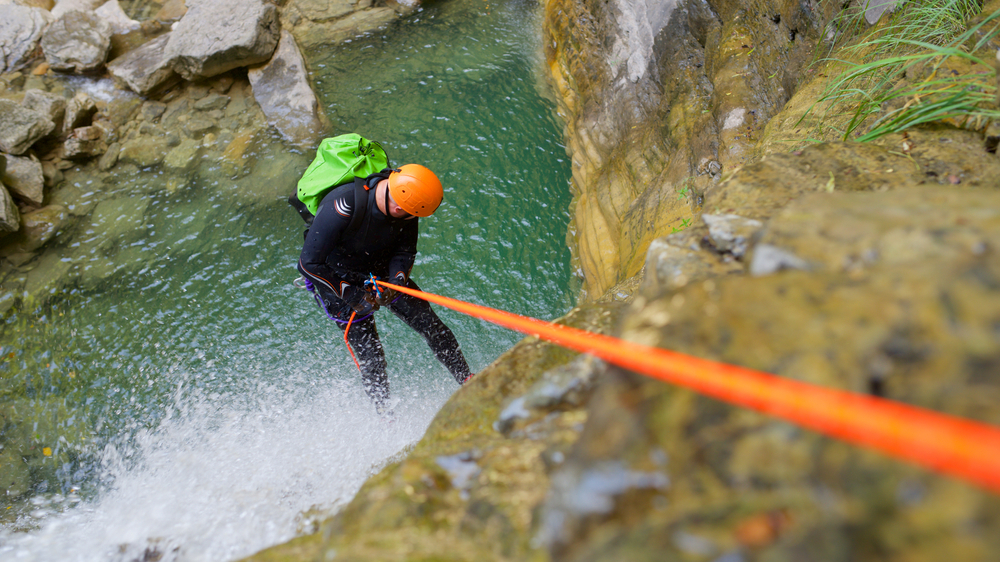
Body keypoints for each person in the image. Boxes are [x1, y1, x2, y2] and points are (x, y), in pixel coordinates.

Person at [293, 164, 473, 414]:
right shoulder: (343, 206)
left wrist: (397, 281)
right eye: (410, 214)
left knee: (432, 326)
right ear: (399, 206)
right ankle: (385, 414)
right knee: (372, 356)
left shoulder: (408, 204)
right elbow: (308, 263)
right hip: (336, 280)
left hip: (379, 273)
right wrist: (353, 295)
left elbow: (405, 251)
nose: (413, 219)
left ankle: (467, 380)